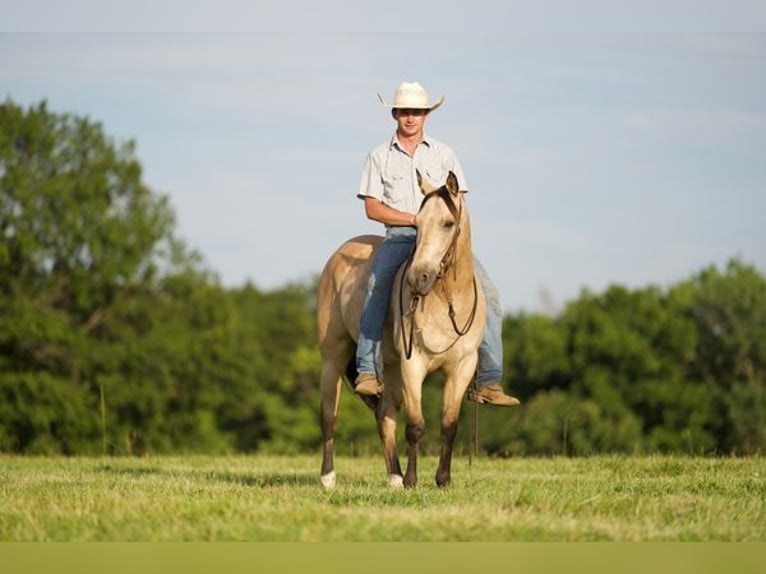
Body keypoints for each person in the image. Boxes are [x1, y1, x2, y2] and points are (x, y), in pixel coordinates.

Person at [354, 80, 519, 407]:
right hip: (401, 235)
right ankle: (368, 369)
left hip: (444, 240)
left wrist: (440, 229)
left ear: (426, 115)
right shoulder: (378, 156)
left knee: (490, 295)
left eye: (416, 112)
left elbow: (460, 203)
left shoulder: (445, 154)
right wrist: (413, 220)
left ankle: (488, 381)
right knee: (377, 284)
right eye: (404, 112)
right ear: (395, 114)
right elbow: (372, 207)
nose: (410, 118)